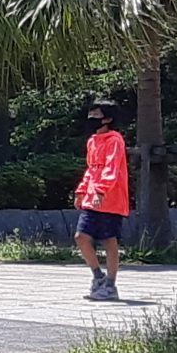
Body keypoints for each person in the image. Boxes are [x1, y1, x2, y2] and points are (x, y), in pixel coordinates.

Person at [74, 100, 130, 302]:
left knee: (109, 240)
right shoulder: (92, 141)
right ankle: (98, 277)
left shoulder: (115, 140)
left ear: (108, 119)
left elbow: (111, 168)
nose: (91, 119)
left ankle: (111, 285)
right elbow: (91, 169)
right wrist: (82, 191)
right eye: (90, 115)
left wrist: (101, 190)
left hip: (111, 200)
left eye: (96, 115)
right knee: (81, 236)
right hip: (92, 198)